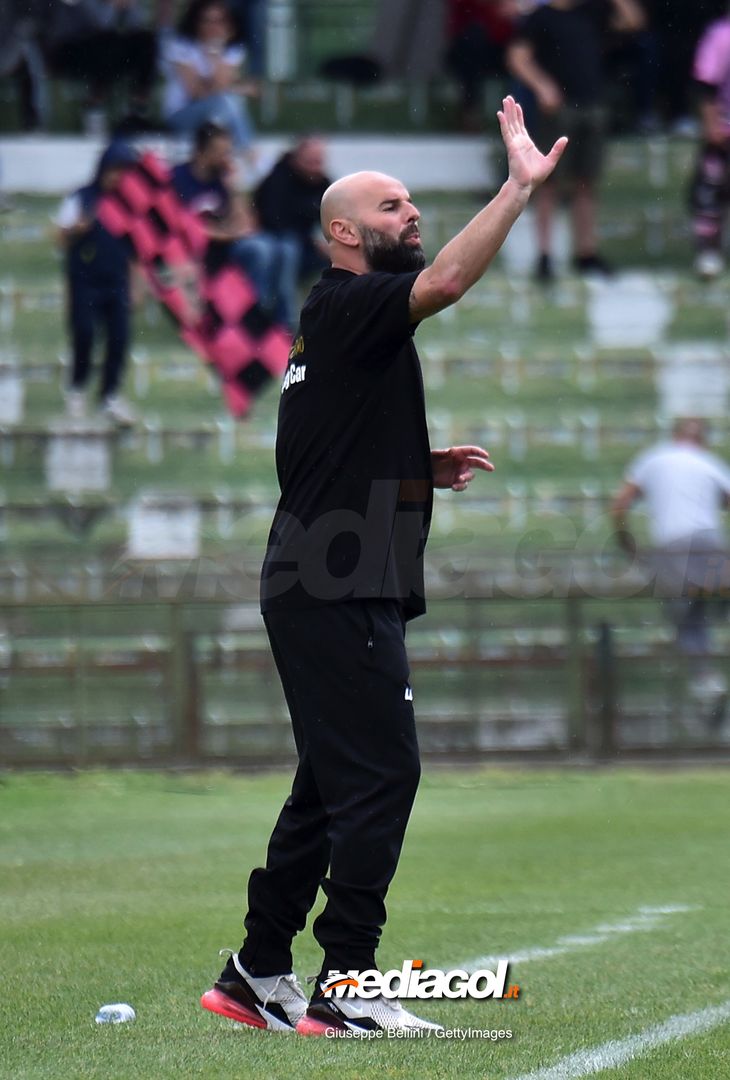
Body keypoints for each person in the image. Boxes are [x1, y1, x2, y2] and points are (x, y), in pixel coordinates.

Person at [199, 96, 566, 1036]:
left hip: (319, 575)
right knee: (382, 777)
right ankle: (348, 989)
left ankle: (257, 971)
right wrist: (519, 188)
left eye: (411, 203)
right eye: (395, 206)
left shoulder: (337, 326)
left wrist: (415, 467)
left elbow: (314, 449)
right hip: (337, 580)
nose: (412, 216)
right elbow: (443, 282)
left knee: (330, 780)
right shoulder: (354, 301)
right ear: (343, 232)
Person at [506, 0, 644, 283]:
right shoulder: (541, 17)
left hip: (593, 105)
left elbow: (633, 22)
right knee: (548, 184)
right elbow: (518, 58)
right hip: (559, 110)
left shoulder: (593, 11)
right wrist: (543, 86)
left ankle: (586, 252)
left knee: (587, 182)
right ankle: (545, 255)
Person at [612, 418, 730, 727]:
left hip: (675, 549)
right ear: (703, 440)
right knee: (713, 609)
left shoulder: (654, 457)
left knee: (688, 620)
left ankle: (706, 680)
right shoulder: (709, 462)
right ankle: (709, 679)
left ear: (675, 435)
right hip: (713, 547)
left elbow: (621, 503)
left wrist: (628, 544)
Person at [171, 121, 294, 326]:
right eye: (221, 152)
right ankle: (253, 320)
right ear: (202, 151)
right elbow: (180, 225)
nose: (226, 157)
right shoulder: (177, 178)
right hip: (196, 249)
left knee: (283, 249)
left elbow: (246, 223)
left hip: (225, 244)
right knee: (259, 250)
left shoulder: (222, 177)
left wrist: (234, 186)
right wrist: (228, 233)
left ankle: (282, 322)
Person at [55, 141, 138, 426]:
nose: (119, 177)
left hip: (116, 282)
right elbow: (60, 237)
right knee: (85, 333)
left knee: (119, 338)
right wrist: (76, 229)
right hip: (85, 281)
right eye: (116, 169)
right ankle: (77, 389)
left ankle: (110, 396)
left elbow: (135, 249)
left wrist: (135, 285)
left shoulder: (129, 206)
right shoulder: (82, 198)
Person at [47, 0, 157, 136]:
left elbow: (136, 26)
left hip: (107, 49)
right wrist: (113, 5)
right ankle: (94, 108)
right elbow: (99, 24)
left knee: (146, 41)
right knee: (106, 43)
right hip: (70, 50)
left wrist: (128, 7)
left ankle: (137, 110)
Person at [161, 0, 255, 158]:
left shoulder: (232, 50)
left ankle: (233, 154)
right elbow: (196, 93)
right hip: (181, 116)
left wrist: (216, 51)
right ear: (196, 22)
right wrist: (235, 88)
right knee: (229, 101)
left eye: (219, 21)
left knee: (230, 101)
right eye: (207, 21)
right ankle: (248, 152)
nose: (213, 26)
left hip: (213, 115)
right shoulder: (181, 47)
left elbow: (219, 87)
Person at [253, 136, 331, 291]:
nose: (315, 167)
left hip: (307, 243)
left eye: (319, 162)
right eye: (311, 162)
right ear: (298, 158)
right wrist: (312, 242)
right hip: (274, 236)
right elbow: (274, 220)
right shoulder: (279, 178)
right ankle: (281, 310)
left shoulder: (323, 184)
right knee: (287, 250)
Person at [688, 5, 730, 280]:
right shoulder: (721, 34)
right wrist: (711, 123)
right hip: (724, 126)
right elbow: (706, 83)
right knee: (710, 191)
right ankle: (708, 253)